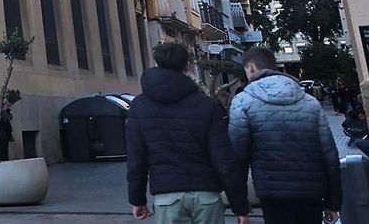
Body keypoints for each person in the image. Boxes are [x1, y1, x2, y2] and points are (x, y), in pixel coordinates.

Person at [125, 41, 249, 224]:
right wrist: (240, 207)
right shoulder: (206, 105)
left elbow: (136, 158)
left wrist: (137, 200)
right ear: (187, 66)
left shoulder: (139, 106)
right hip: (206, 195)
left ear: (157, 63)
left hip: (167, 198)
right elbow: (224, 160)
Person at [229, 46, 343, 224]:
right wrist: (333, 202)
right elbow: (329, 155)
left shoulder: (243, 102)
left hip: (272, 193)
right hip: (311, 192)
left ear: (250, 67)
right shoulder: (310, 103)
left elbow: (237, 158)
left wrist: (240, 206)